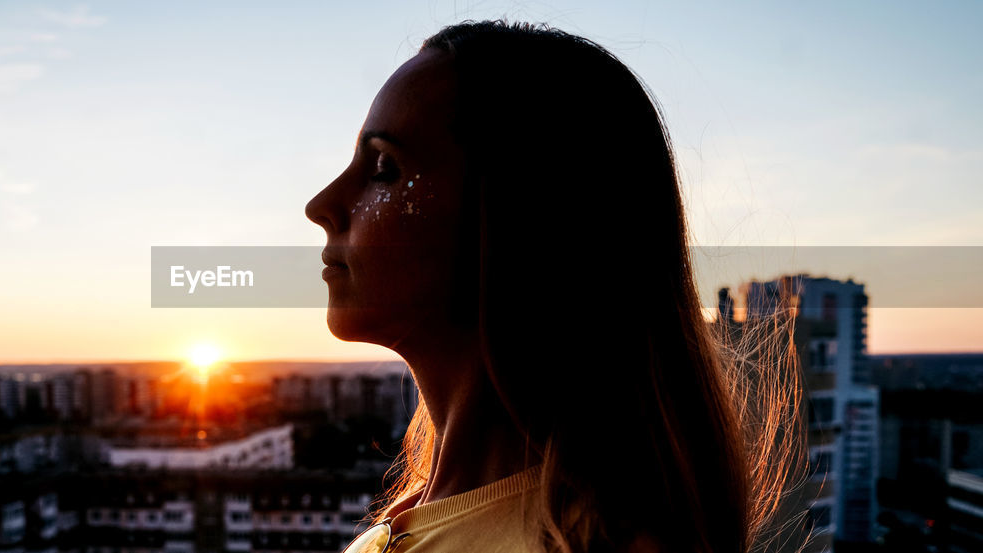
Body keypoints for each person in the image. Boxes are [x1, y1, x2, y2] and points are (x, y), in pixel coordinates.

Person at [305, 20, 806, 553]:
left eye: (385, 168)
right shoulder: (431, 511)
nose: (321, 206)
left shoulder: (590, 545)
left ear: (523, 219)